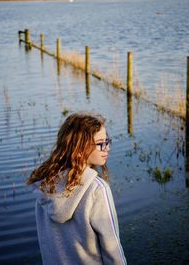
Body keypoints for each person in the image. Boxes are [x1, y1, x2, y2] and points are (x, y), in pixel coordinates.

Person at [27, 111, 127, 265]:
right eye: (100, 143)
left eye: (107, 141)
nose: (107, 148)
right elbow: (112, 249)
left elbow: (46, 243)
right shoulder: (97, 189)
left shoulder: (46, 187)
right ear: (80, 148)